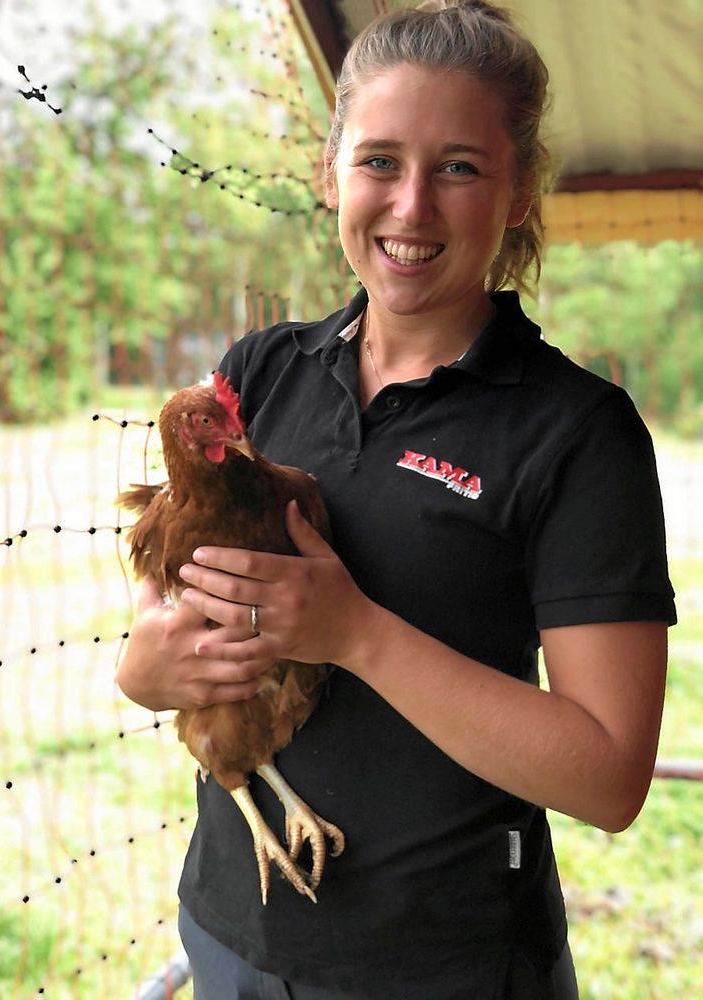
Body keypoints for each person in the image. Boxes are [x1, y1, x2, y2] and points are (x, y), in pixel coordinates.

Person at [116, 1, 675, 997]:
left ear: (516, 193)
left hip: (447, 963)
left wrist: (357, 633)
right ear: (330, 174)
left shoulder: (578, 434)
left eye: (458, 166)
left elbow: (609, 776)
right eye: (379, 160)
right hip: (231, 935)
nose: (412, 206)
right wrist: (145, 666)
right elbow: (169, 616)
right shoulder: (262, 373)